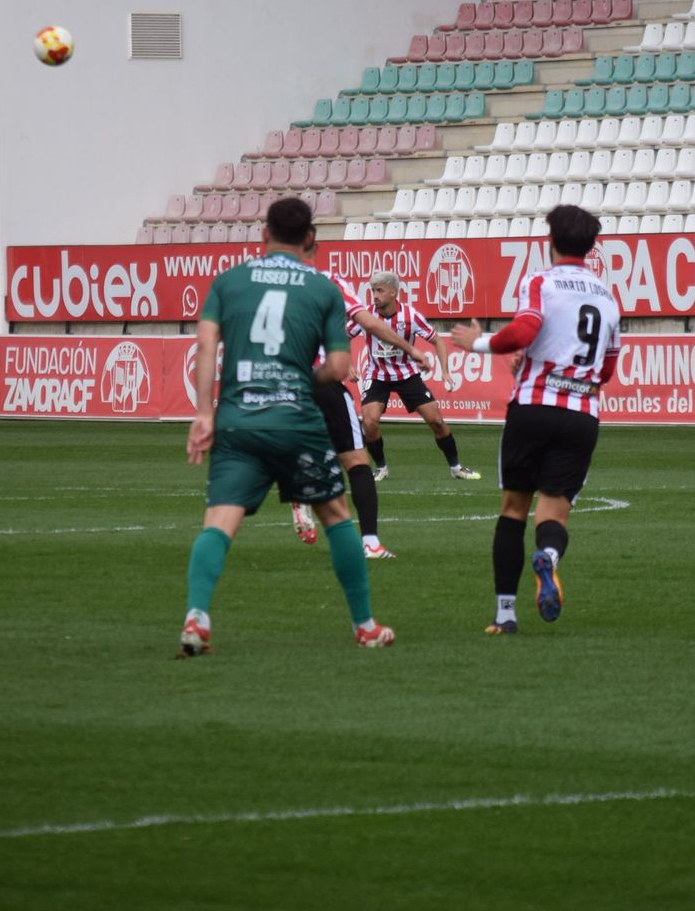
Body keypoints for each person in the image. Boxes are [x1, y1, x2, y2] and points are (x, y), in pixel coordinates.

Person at [178, 196, 395, 657]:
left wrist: (202, 412)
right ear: (311, 239)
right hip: (297, 420)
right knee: (336, 515)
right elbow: (338, 367)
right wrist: (298, 376)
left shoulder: (229, 281)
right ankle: (365, 626)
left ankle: (197, 616)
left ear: (263, 235)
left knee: (219, 522)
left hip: (238, 420)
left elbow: (204, 344)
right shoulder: (321, 288)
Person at [448, 204, 621, 635]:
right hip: (582, 415)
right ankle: (549, 557)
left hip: (534, 407)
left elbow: (525, 330)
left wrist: (479, 343)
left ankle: (505, 614)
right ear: (591, 246)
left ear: (551, 241)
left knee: (513, 510)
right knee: (554, 515)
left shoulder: (541, 281)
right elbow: (605, 371)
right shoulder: (606, 296)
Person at [289, 239, 428, 560]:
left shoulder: (258, 283)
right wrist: (412, 350)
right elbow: (368, 322)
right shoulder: (330, 281)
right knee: (356, 461)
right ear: (311, 248)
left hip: (277, 379)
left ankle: (299, 487)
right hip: (320, 377)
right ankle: (370, 543)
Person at [354, 269, 482, 483]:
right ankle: (382, 468)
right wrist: (348, 363)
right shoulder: (366, 316)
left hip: (407, 375)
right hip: (377, 375)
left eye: (379, 290)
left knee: (437, 420)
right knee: (369, 421)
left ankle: (456, 467)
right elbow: (341, 336)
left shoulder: (410, 316)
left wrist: (446, 371)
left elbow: (437, 341)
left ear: (393, 293)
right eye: (372, 291)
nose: (374, 295)